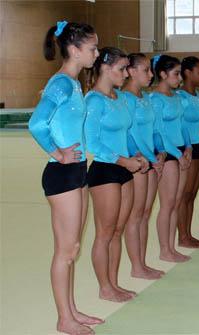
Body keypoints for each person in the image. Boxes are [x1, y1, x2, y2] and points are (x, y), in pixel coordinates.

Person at [28, 20, 103, 335]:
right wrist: (58, 152)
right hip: (61, 173)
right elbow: (36, 123)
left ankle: (71, 311)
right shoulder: (61, 83)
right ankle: (64, 319)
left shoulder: (73, 83)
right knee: (65, 249)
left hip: (76, 170)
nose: (97, 54)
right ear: (74, 49)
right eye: (92, 48)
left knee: (72, 248)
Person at [85, 47, 148, 303]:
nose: (126, 73)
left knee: (118, 230)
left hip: (124, 168)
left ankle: (113, 282)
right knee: (105, 232)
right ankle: (104, 287)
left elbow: (128, 133)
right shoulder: (93, 100)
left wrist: (138, 156)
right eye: (122, 69)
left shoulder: (120, 98)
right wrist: (124, 161)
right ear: (105, 68)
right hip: (105, 170)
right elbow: (93, 143)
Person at [121, 53, 165, 279]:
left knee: (145, 213)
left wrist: (160, 151)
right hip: (137, 162)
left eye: (151, 70)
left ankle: (142, 262)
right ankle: (136, 266)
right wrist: (144, 156)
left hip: (150, 160)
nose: (151, 75)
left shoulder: (145, 98)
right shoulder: (125, 99)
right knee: (135, 215)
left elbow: (154, 130)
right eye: (146, 70)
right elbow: (129, 133)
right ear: (131, 71)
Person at [150, 54, 191, 262]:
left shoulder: (177, 98)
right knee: (167, 204)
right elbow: (159, 131)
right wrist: (177, 154)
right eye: (176, 74)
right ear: (163, 74)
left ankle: (171, 247)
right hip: (167, 153)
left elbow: (183, 125)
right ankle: (164, 249)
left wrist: (189, 147)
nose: (180, 78)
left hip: (181, 150)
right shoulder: (155, 100)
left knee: (176, 202)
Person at [177, 56, 199, 248]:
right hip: (186, 147)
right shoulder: (180, 97)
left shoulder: (197, 95)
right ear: (187, 73)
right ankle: (182, 236)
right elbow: (178, 125)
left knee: (192, 194)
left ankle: (187, 234)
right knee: (185, 194)